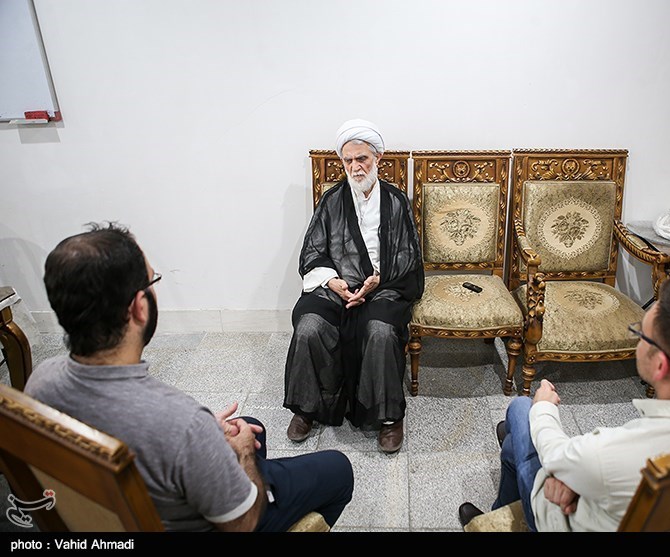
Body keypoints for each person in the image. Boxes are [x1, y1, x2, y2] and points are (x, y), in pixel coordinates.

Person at [25, 222, 354, 532]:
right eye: (152, 282)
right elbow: (242, 524)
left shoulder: (40, 381)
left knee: (252, 426)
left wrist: (206, 434)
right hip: (224, 522)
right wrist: (237, 451)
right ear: (139, 307)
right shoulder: (181, 422)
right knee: (337, 469)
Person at [458, 277, 670, 531]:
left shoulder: (613, 454)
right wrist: (580, 477)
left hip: (557, 519)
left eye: (641, 334)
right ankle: (499, 502)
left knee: (522, 409)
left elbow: (559, 456)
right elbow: (589, 466)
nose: (638, 339)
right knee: (514, 445)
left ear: (661, 366)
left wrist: (545, 408)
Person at [283, 119, 424, 454]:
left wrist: (377, 279)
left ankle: (388, 417)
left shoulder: (396, 201)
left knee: (380, 331)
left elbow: (408, 254)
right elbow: (313, 251)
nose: (355, 166)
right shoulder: (332, 200)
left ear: (377, 159)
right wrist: (332, 281)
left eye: (362, 158)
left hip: (384, 285)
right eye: (348, 160)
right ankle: (307, 408)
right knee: (309, 326)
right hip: (336, 287)